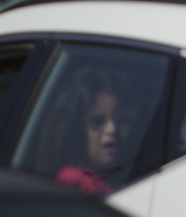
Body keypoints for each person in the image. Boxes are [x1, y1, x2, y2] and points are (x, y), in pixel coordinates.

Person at [35, 68, 135, 196]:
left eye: (121, 120)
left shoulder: (120, 180)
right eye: (97, 121)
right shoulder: (72, 183)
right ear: (73, 130)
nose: (112, 129)